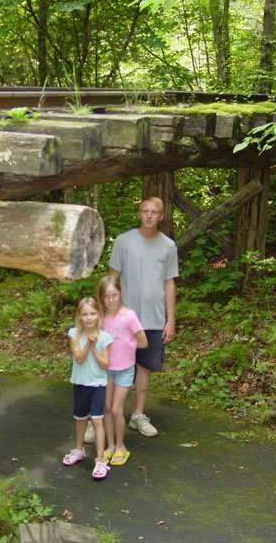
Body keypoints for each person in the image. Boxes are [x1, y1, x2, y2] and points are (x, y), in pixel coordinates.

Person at [109, 196, 178, 437]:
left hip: (153, 318)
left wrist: (170, 319)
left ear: (161, 216)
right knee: (115, 367)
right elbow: (112, 278)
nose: (149, 216)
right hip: (123, 318)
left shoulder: (168, 246)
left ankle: (137, 415)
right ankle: (105, 416)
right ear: (139, 213)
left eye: (153, 212)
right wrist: (109, 313)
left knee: (145, 367)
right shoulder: (123, 241)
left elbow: (169, 283)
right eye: (144, 211)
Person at [97, 275, 147, 466]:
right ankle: (110, 446)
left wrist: (125, 344)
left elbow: (143, 342)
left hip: (124, 370)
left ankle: (120, 446)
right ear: (101, 298)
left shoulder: (129, 316)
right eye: (106, 296)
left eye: (114, 295)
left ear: (120, 293)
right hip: (105, 370)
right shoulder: (100, 317)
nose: (111, 300)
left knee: (117, 409)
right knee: (107, 409)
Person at [62, 297, 113, 479]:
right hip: (80, 383)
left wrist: (94, 348)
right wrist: (89, 343)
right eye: (85, 314)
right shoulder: (74, 333)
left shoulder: (105, 337)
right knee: (80, 419)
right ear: (79, 316)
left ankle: (101, 460)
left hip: (98, 384)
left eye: (92, 313)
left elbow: (105, 364)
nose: (89, 318)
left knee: (97, 420)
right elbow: (79, 358)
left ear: (98, 314)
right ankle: (79, 450)